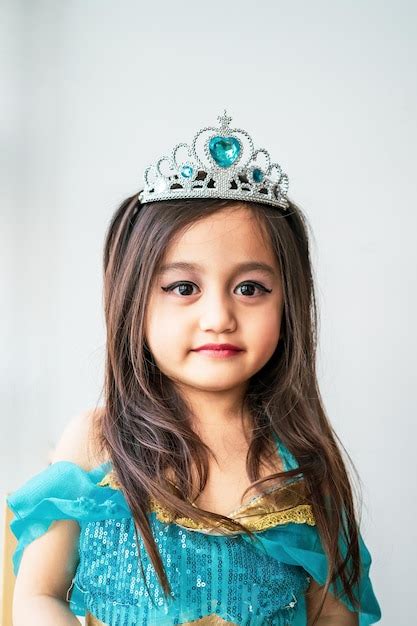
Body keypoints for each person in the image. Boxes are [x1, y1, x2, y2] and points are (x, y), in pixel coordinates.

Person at [7, 111, 382, 625]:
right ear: (135, 302)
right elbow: (38, 596)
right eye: (184, 288)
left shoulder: (306, 466)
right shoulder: (99, 441)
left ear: (289, 304)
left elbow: (333, 618)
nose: (219, 318)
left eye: (249, 289)